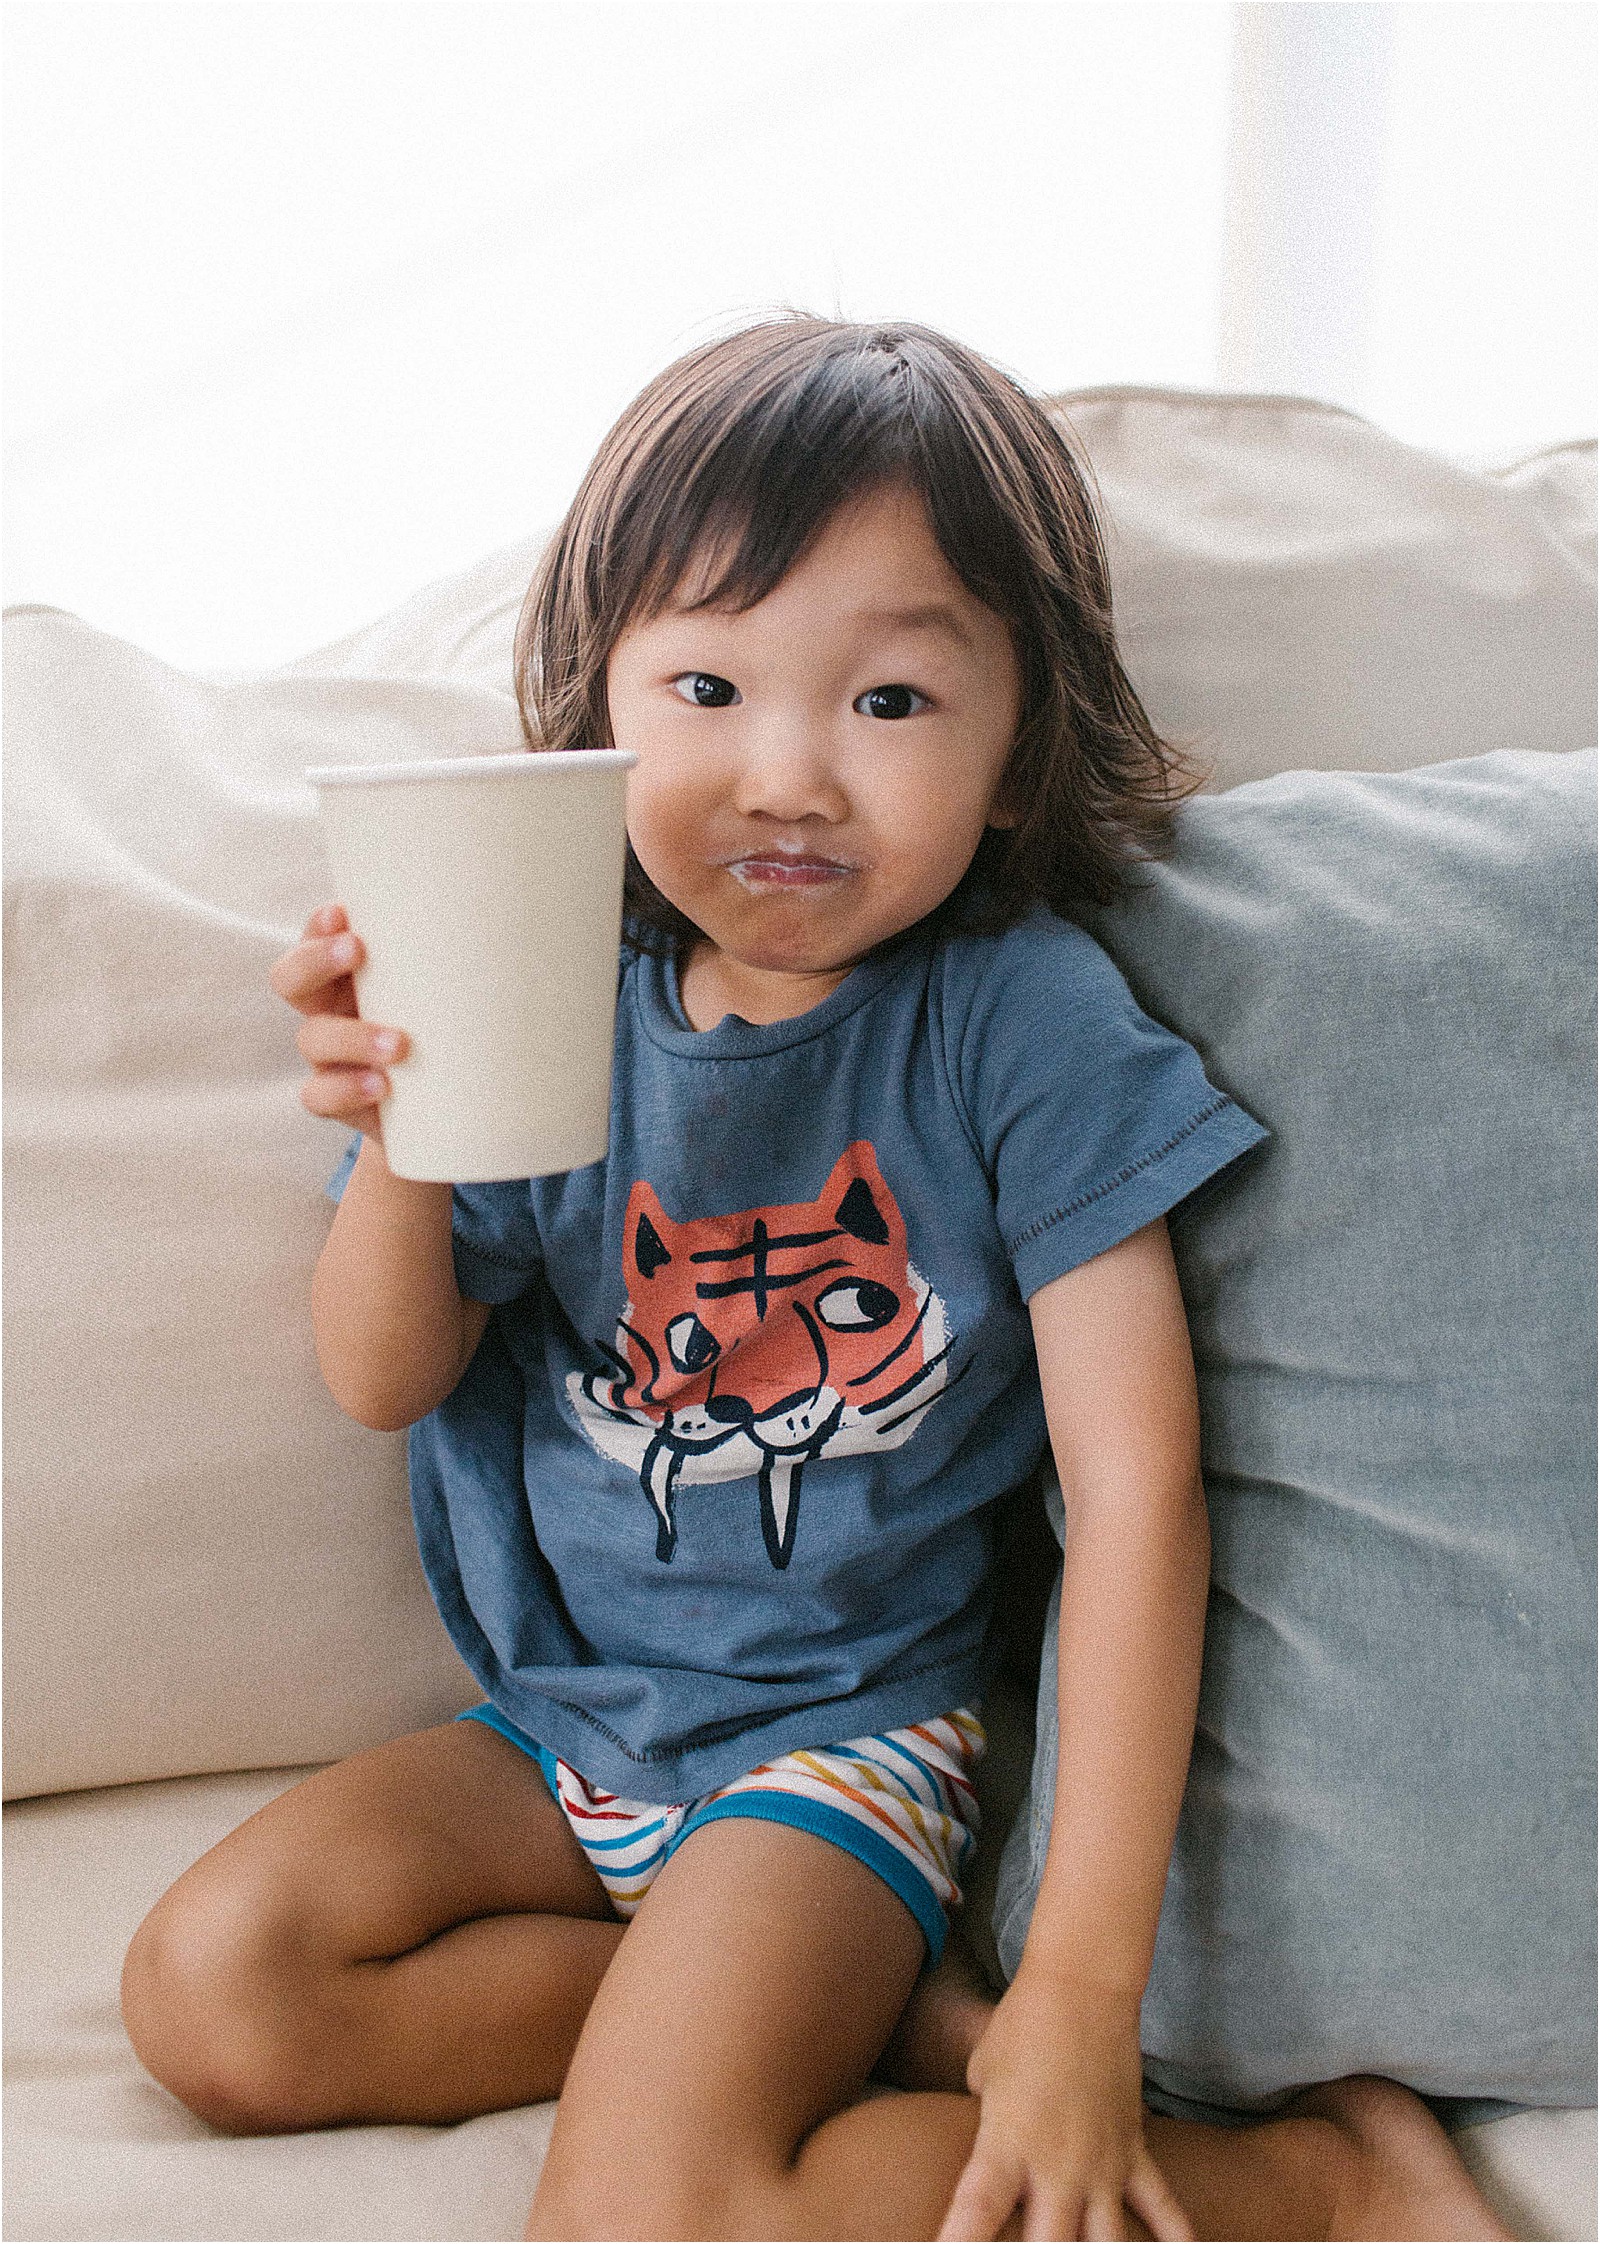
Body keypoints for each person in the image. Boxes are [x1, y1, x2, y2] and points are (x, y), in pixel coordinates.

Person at [121, 318, 1510, 2243]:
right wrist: (400, 1132)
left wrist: (1085, 1997)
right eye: (706, 683)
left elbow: (1136, 1499)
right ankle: (836, 2040)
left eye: (890, 704)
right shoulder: (555, 1002)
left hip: (837, 1748)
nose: (788, 775)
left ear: (1021, 750)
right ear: (601, 712)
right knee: (218, 1999)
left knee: (657, 2212)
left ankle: (1311, 2178)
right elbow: (383, 1375)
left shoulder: (1016, 1027)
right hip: (570, 1729)